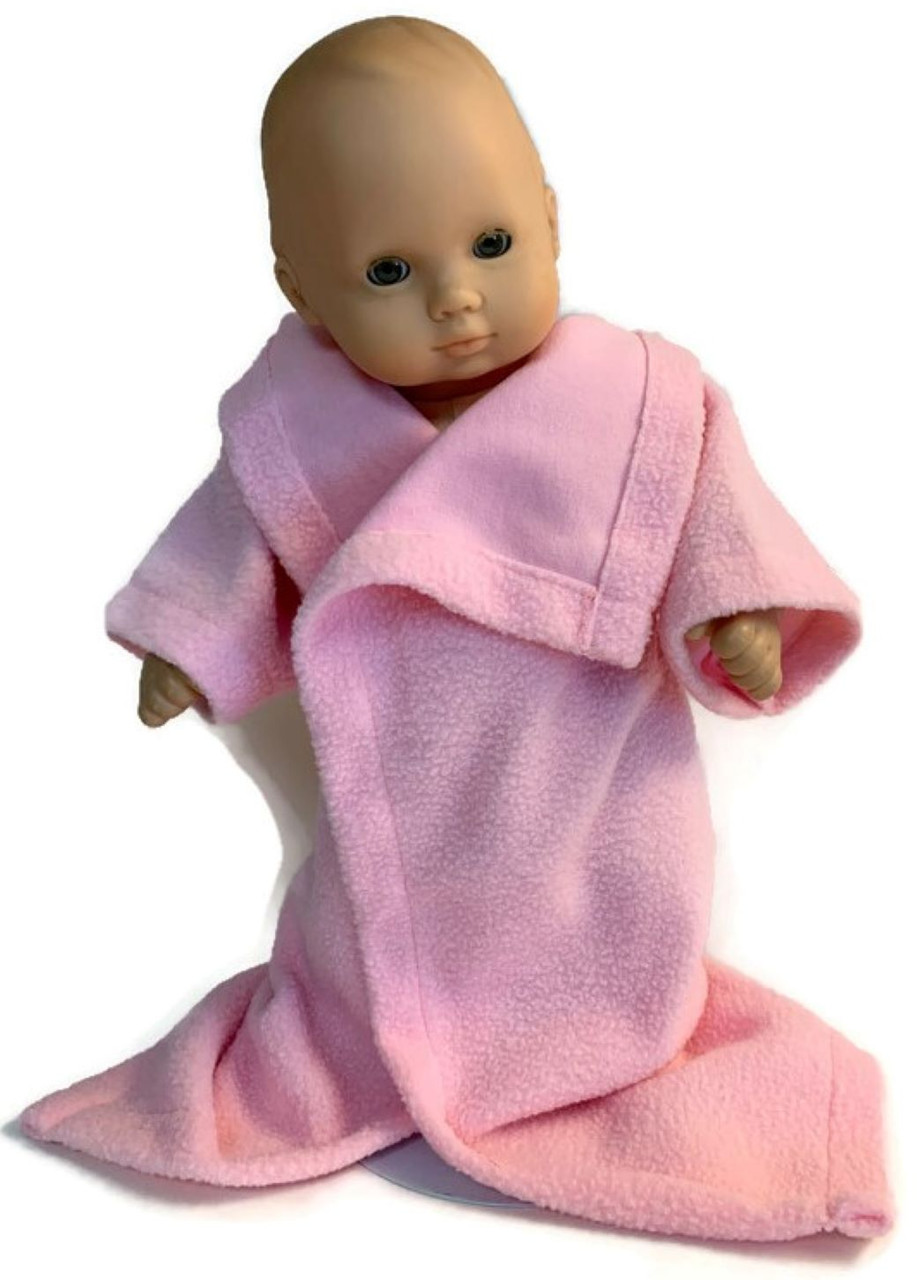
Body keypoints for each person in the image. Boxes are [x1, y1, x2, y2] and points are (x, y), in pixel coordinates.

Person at [20, 16, 891, 1243]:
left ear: (550, 218)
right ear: (301, 290)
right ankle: (382, 1033)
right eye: (388, 271)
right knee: (359, 962)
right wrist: (187, 644)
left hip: (590, 797)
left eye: (491, 243)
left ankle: (597, 1043)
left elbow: (716, 527)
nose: (456, 297)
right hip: (399, 823)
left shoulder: (640, 409)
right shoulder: (288, 435)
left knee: (614, 948)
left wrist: (734, 615)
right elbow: (228, 553)